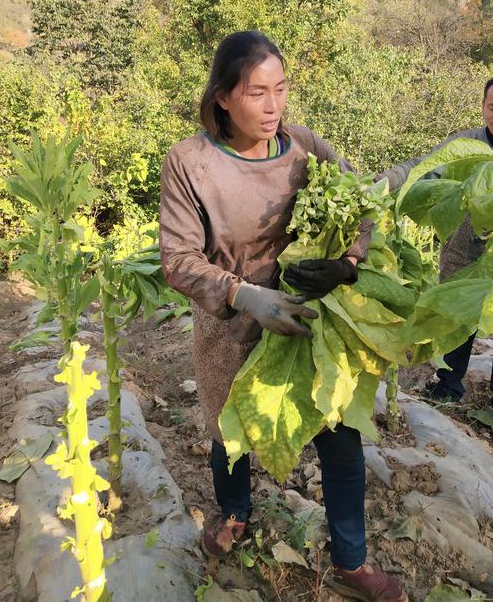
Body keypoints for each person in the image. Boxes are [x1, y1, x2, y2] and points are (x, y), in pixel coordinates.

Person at [160, 30, 408, 602]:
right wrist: (245, 295)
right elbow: (177, 260)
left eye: (281, 90)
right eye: (256, 93)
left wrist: (347, 263)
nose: (273, 107)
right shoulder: (191, 163)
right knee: (230, 430)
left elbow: (361, 206)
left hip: (310, 320)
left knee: (339, 436)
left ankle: (351, 559)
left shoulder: (304, 147)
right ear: (223, 97)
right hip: (232, 322)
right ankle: (235, 514)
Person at [380, 74, 493, 431]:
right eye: (491, 107)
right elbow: (423, 167)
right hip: (465, 250)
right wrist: (383, 184)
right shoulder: (467, 145)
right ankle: (449, 386)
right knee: (457, 321)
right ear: (483, 107)